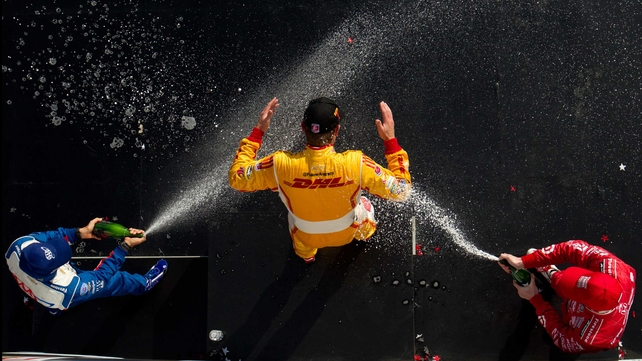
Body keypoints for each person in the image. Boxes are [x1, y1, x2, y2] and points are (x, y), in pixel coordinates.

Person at [228, 97, 411, 263]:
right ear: (337, 130)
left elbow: (237, 178)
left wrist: (257, 132)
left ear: (303, 127)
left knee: (297, 231)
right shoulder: (356, 163)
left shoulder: (279, 165)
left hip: (307, 236)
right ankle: (365, 235)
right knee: (364, 204)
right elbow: (402, 191)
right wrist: (390, 140)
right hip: (346, 234)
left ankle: (307, 256)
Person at [498, 240, 636, 359]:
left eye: (571, 290)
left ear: (583, 304)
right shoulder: (613, 266)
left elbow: (562, 337)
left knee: (559, 352)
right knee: (558, 279)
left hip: (574, 333)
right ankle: (553, 274)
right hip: (581, 310)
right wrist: (524, 261)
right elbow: (574, 248)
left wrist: (534, 298)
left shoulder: (589, 339)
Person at [5, 217, 168, 316]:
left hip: (42, 290)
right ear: (51, 271)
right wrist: (125, 246)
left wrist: (82, 232)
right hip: (62, 296)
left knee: (51, 304)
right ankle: (144, 284)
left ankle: (51, 309)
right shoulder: (67, 289)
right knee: (115, 281)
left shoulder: (19, 246)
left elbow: (51, 236)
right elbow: (101, 276)